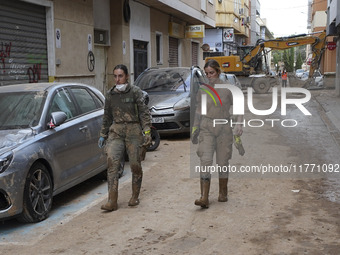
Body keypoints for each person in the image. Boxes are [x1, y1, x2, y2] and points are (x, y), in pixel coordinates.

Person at [98, 64, 152, 211]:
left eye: (120, 76)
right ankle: (112, 201)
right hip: (116, 131)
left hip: (133, 130)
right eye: (115, 76)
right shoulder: (110, 94)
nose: (117, 79)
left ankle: (134, 196)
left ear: (127, 76)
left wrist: (147, 131)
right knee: (112, 164)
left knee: (135, 164)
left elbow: (144, 113)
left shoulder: (135, 92)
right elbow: (107, 116)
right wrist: (103, 134)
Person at [192, 59, 243, 208]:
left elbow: (239, 107)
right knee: (205, 161)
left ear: (218, 72)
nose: (209, 76)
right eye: (206, 73)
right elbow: (198, 110)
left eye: (212, 73)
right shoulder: (203, 89)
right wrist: (195, 127)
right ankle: (204, 197)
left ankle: (223, 192)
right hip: (206, 127)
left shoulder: (228, 89)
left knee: (222, 162)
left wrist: (239, 124)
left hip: (223, 128)